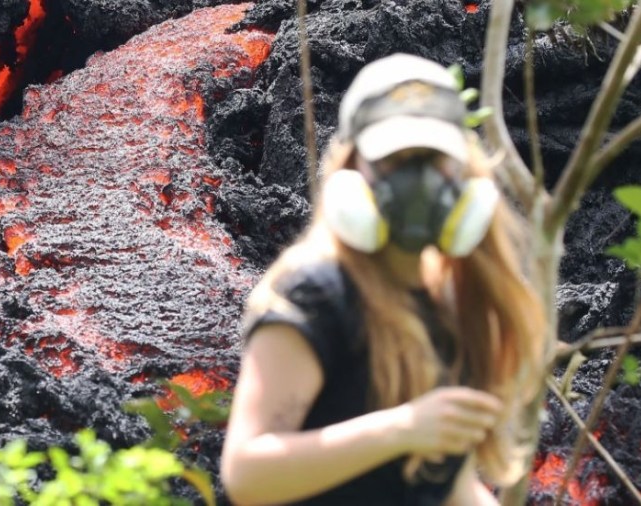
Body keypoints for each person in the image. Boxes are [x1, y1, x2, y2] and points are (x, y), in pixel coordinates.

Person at [219, 53, 546, 505]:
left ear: (463, 171)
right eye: (395, 160)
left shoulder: (452, 300)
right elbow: (248, 473)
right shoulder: (312, 296)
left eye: (433, 159)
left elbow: (442, 483)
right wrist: (404, 428)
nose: (418, 182)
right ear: (353, 170)